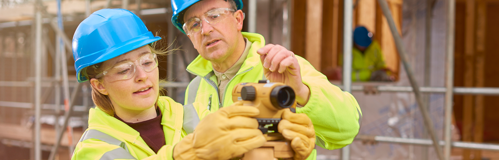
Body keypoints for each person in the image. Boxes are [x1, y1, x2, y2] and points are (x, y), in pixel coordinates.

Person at [170, 0, 362, 159]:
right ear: (190, 36)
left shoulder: (282, 68)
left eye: (214, 15)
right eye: (194, 24)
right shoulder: (195, 88)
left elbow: (348, 128)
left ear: (238, 20)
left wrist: (301, 92)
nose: (205, 29)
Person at [71, 8, 267, 160]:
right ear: (99, 86)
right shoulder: (93, 148)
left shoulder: (193, 115)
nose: (142, 76)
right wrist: (181, 154)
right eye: (124, 70)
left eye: (147, 62)